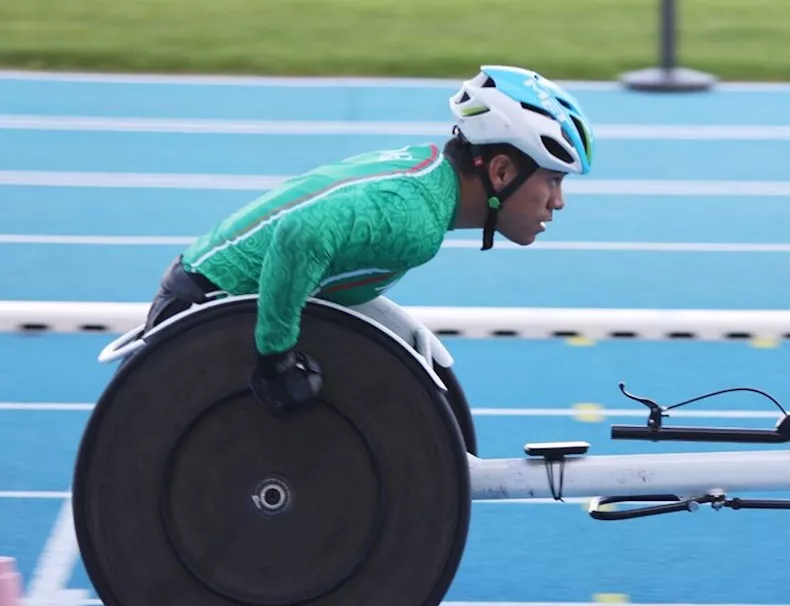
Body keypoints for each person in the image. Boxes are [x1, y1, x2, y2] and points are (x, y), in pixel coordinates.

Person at [142, 64, 595, 415]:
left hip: (211, 300)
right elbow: (300, 233)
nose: (558, 202)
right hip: (201, 316)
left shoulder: (429, 171)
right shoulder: (415, 219)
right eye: (553, 181)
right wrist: (276, 360)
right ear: (500, 171)